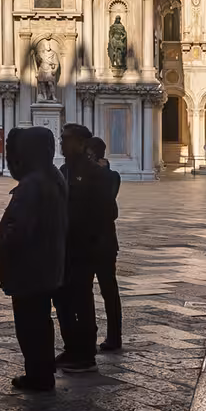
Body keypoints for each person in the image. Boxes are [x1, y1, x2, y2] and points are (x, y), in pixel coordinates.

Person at [0, 127, 66, 392]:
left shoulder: (32, 184)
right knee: (41, 321)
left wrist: (6, 242)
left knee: (29, 323)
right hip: (48, 263)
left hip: (29, 266)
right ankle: (42, 369)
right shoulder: (53, 176)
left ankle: (37, 375)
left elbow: (20, 229)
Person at [54, 124, 103, 372]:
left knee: (82, 300)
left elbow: (102, 212)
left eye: (68, 140)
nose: (63, 144)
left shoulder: (93, 172)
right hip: (65, 246)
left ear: (83, 144)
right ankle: (72, 347)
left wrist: (90, 240)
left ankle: (86, 352)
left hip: (83, 247)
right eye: (62, 139)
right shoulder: (64, 170)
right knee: (63, 300)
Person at [88, 137, 122, 352]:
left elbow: (109, 204)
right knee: (94, 291)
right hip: (99, 241)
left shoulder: (108, 176)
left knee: (107, 290)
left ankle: (114, 336)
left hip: (101, 241)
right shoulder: (107, 175)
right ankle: (94, 335)